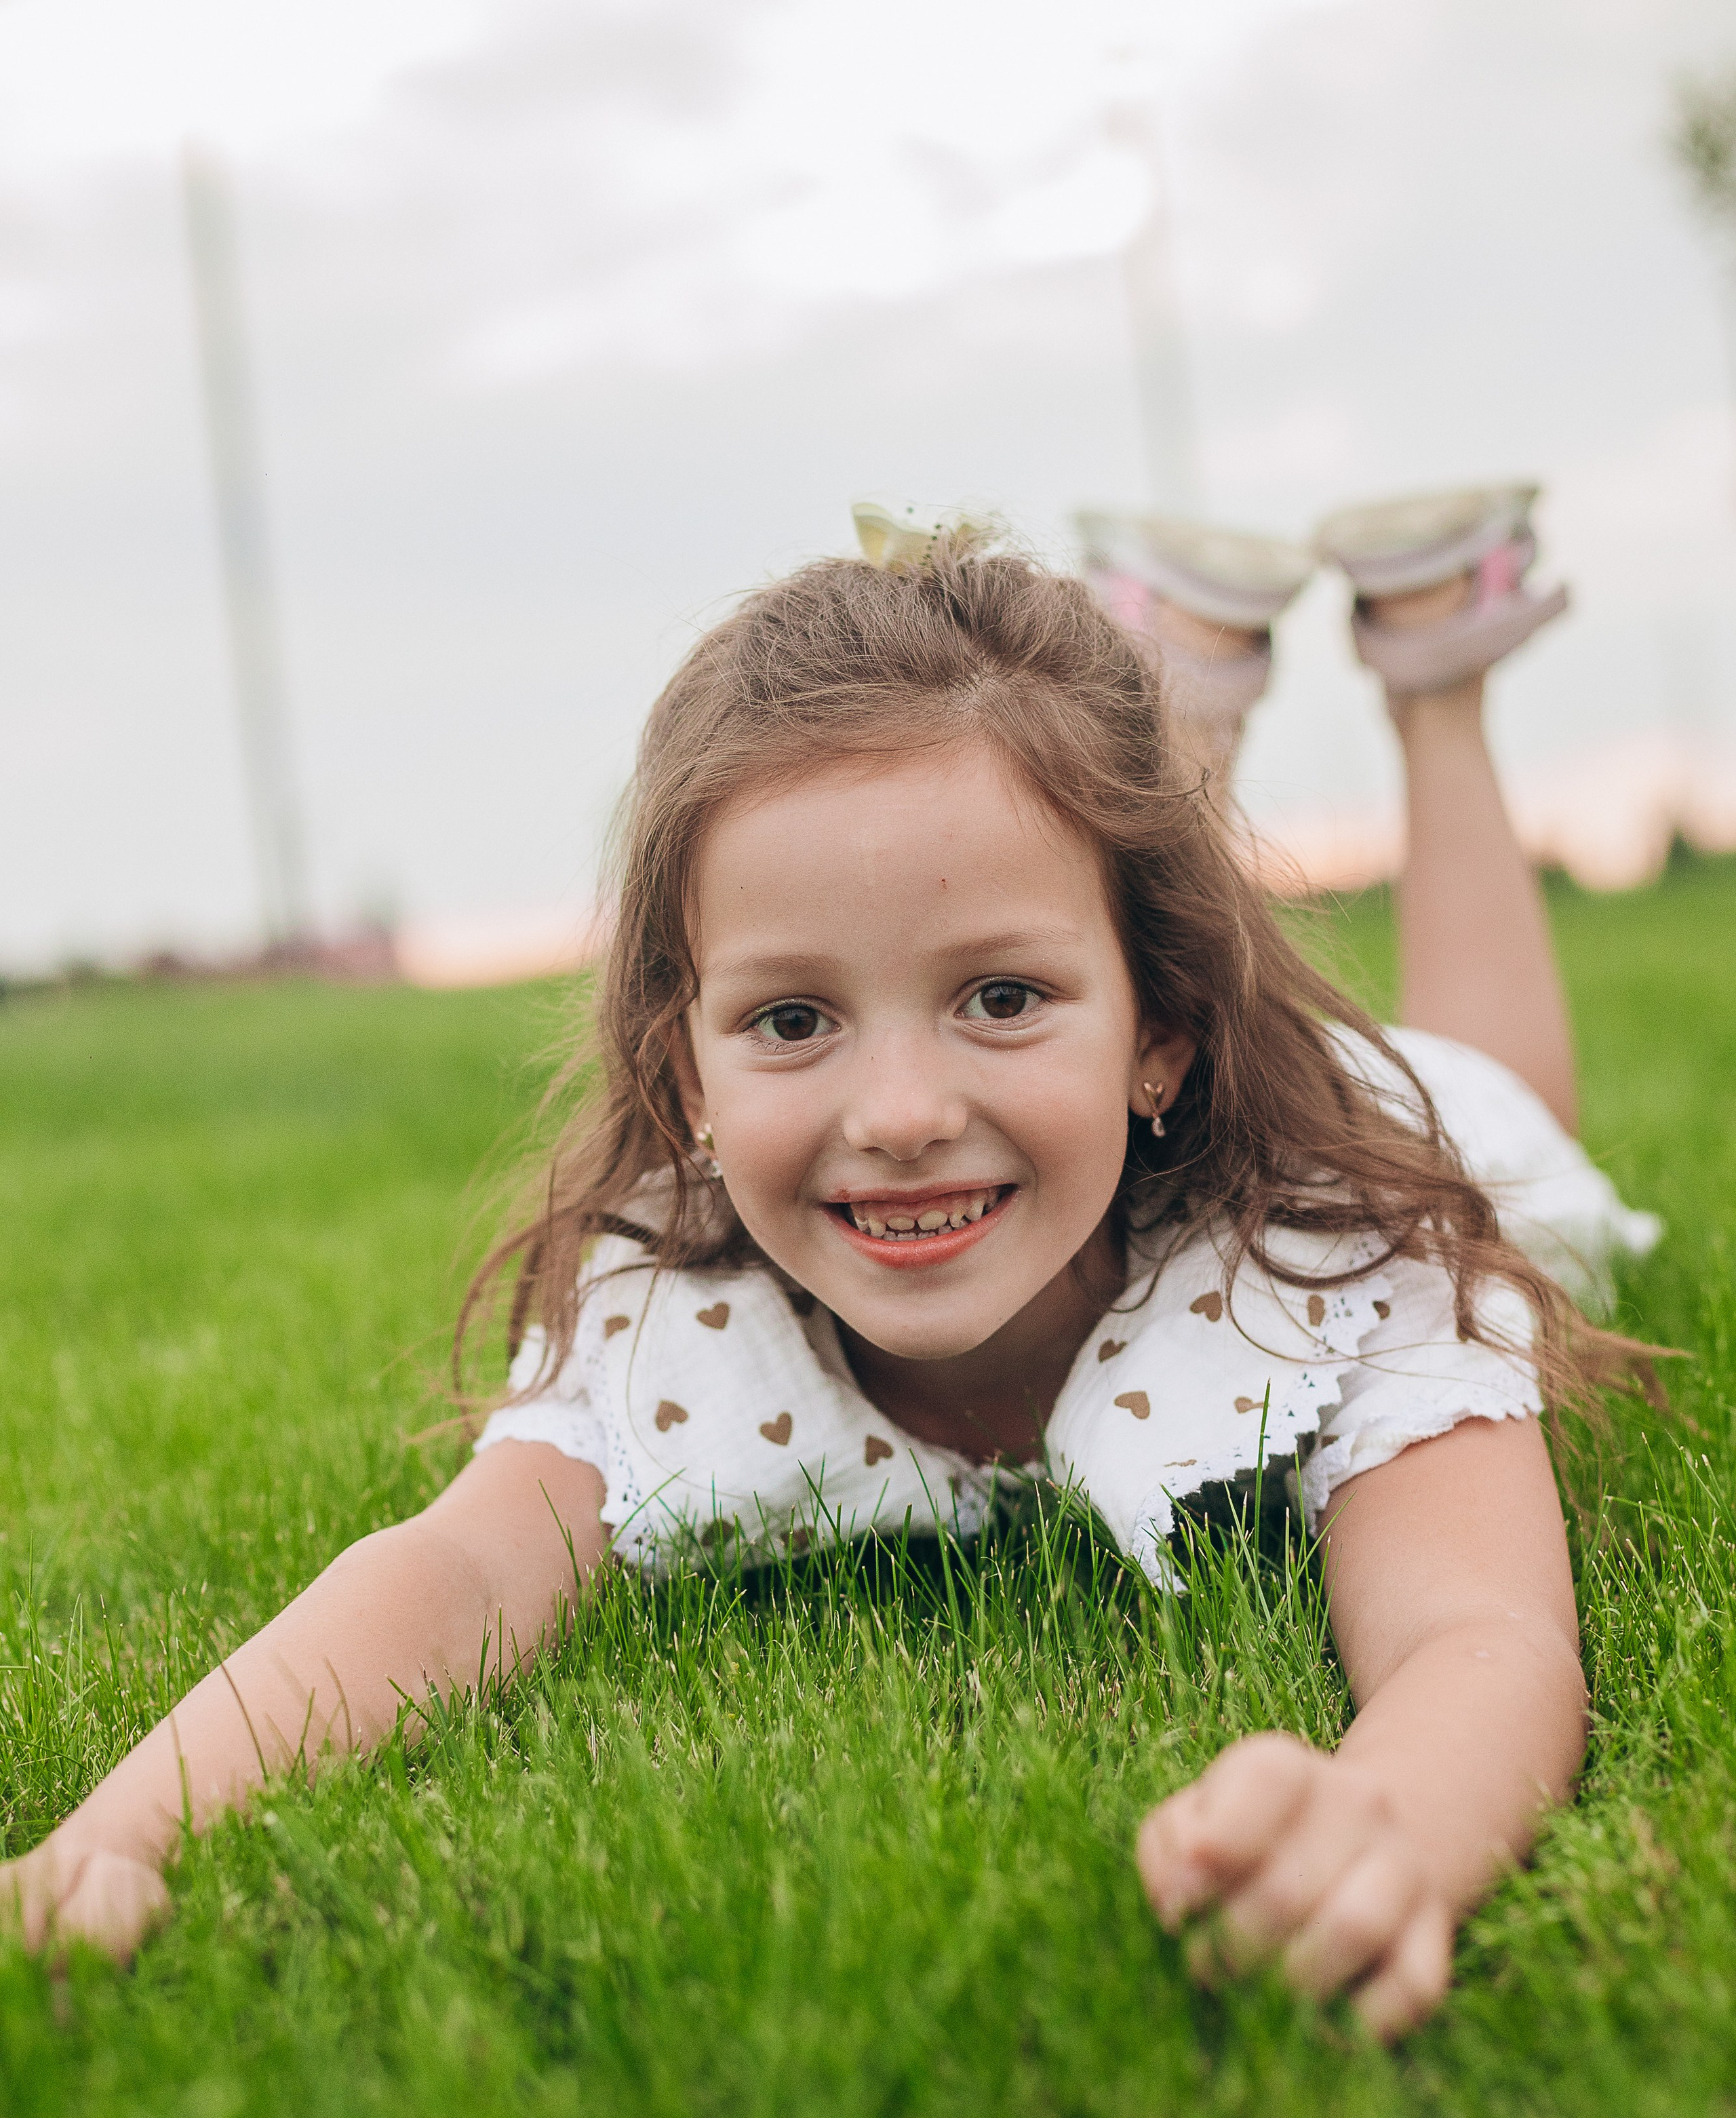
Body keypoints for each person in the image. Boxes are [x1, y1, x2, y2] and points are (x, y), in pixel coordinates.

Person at [1, 490, 1661, 2037]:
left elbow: (1475, 1629)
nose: (899, 1116)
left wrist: (1388, 1827)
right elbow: (457, 1575)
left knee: (1497, 1103)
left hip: (1334, 1120)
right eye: (793, 1020)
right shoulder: (677, 1304)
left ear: (1161, 1033)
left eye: (1000, 997)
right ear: (687, 1074)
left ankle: (1432, 674)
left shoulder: (1336, 1245)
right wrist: (118, 1834)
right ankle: (1188, 699)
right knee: (1072, 872)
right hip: (1106, 1069)